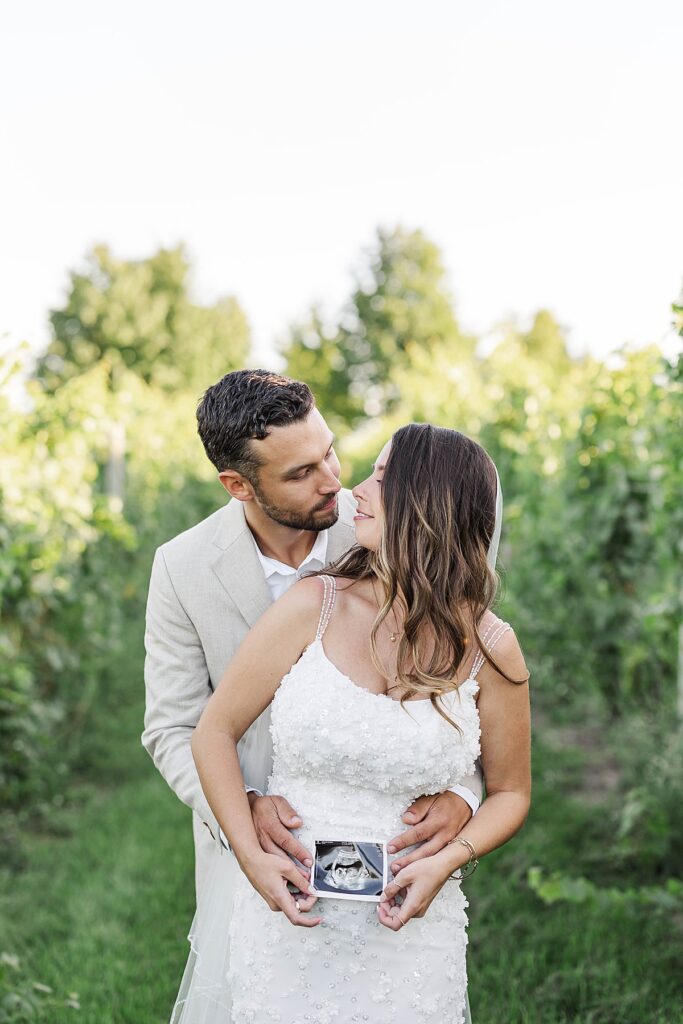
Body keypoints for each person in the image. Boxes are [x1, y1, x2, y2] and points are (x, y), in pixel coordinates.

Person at [142, 371, 483, 1013]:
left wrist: (466, 795)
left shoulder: (388, 527)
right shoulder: (181, 568)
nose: (332, 480)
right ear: (239, 485)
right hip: (264, 854)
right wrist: (243, 807)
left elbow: (468, 682)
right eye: (301, 472)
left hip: (393, 852)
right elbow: (173, 726)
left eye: (329, 450)